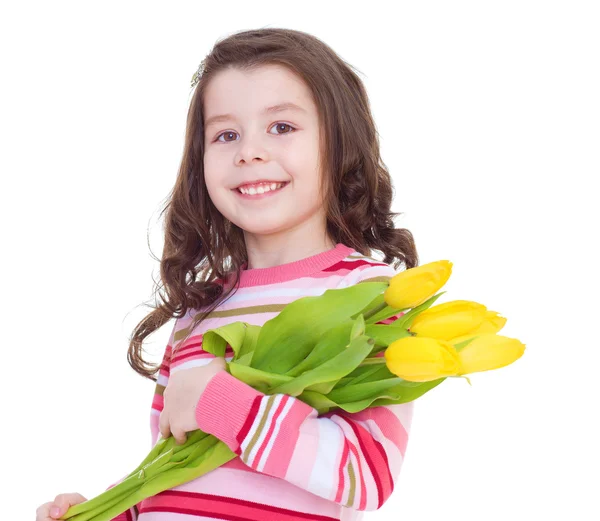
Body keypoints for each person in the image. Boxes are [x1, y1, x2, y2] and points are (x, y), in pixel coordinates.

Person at [36, 27, 420, 521]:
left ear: (340, 142)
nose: (248, 152)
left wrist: (223, 402)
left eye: (281, 127)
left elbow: (363, 476)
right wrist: (112, 511)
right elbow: (172, 467)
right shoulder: (198, 312)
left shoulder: (371, 298)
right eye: (226, 134)